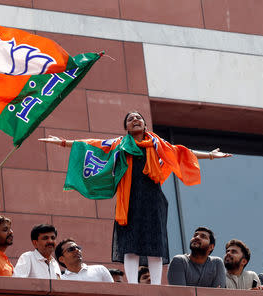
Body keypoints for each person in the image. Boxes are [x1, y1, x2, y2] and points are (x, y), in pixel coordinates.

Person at [40, 111, 231, 284]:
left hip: (153, 201)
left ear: (145, 125)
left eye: (138, 117)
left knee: (155, 244)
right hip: (129, 200)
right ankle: (133, 286)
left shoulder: (157, 145)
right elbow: (91, 144)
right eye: (130, 119)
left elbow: (182, 153)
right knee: (129, 245)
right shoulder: (119, 144)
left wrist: (210, 156)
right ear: (126, 128)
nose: (135, 120)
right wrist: (64, 143)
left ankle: (156, 286)